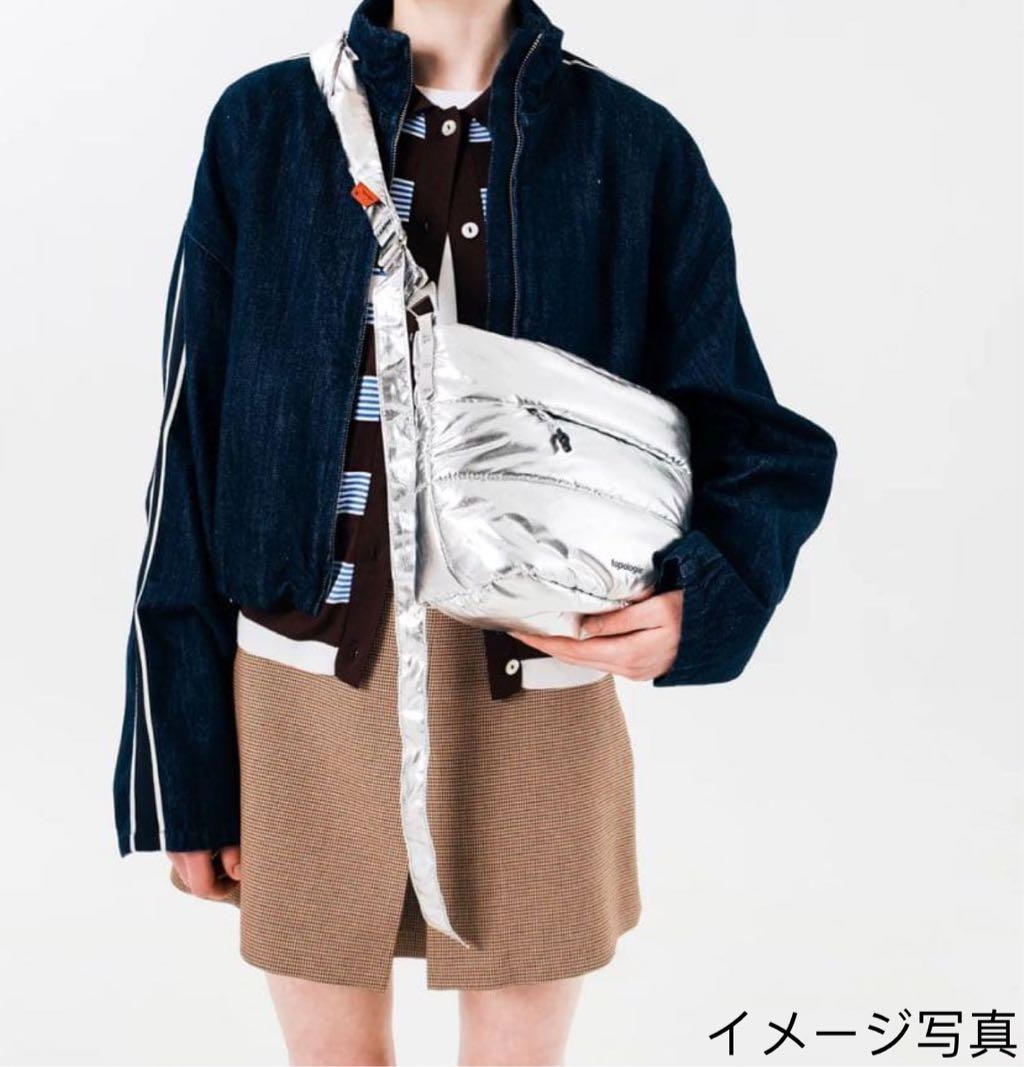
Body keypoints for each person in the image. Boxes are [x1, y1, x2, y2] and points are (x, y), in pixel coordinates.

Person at [112, 0, 837, 1062]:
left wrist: (705, 598)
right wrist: (182, 766)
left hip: (539, 689)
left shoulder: (632, 147)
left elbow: (751, 437)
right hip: (301, 693)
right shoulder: (267, 126)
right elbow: (190, 445)